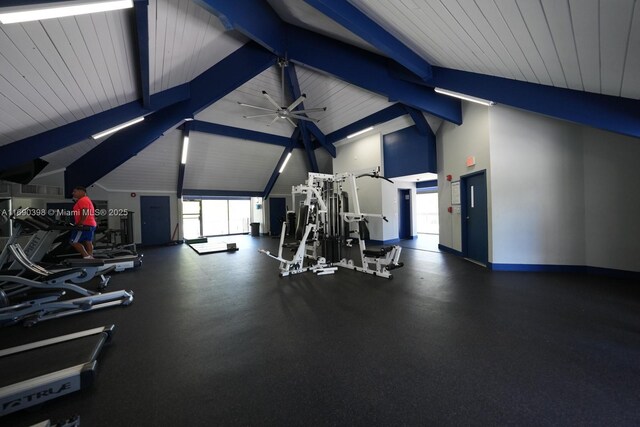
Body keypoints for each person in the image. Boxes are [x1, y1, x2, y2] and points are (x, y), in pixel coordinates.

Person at [70, 186, 97, 259]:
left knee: (73, 242)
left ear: (82, 192)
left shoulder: (82, 200)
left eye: (74, 191)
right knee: (88, 241)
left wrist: (80, 223)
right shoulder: (86, 199)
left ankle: (86, 256)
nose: (73, 193)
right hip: (91, 224)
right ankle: (91, 257)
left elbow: (85, 211)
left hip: (84, 225)